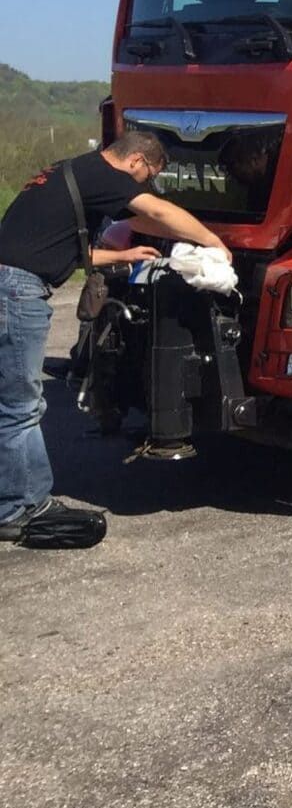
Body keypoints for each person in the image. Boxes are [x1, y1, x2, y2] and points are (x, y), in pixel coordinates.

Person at [0, 131, 229, 549]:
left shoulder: (74, 171)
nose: (141, 187)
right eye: (146, 177)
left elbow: (56, 246)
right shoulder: (105, 173)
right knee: (20, 404)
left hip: (10, 281)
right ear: (137, 161)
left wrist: (121, 256)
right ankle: (21, 508)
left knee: (13, 399)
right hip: (16, 291)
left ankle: (17, 498)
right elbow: (156, 213)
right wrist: (213, 241)